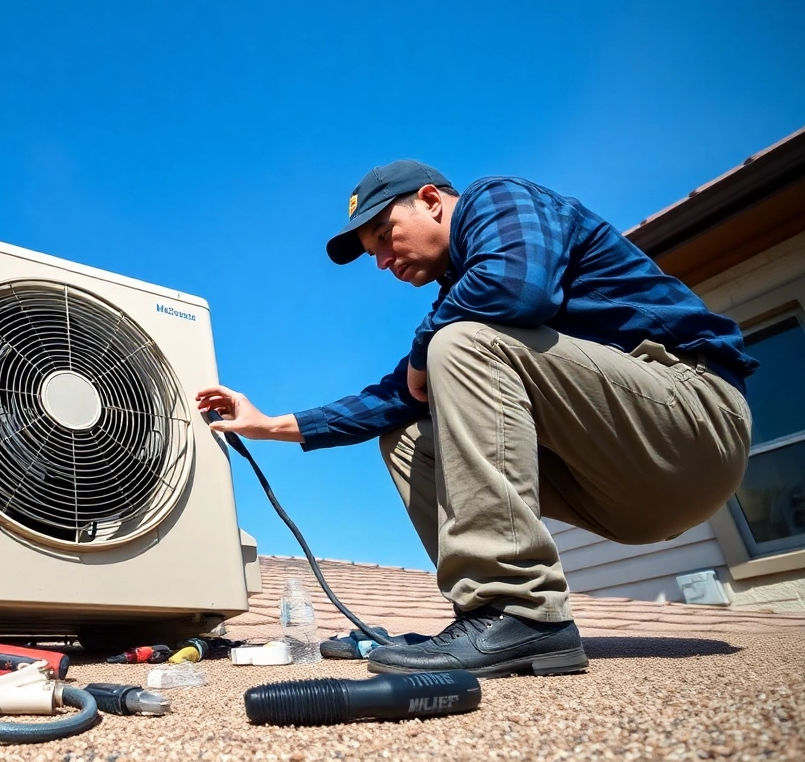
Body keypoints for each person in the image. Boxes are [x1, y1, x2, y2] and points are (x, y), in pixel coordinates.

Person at [196, 160, 755, 677]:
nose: (384, 262)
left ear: (432, 200)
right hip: (627, 493)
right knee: (408, 437)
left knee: (457, 344)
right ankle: (492, 618)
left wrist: (426, 347)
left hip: (694, 420)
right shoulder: (464, 308)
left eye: (386, 238)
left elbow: (517, 288)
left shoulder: (500, 201)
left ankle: (524, 609)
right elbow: (396, 397)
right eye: (373, 257)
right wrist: (268, 424)